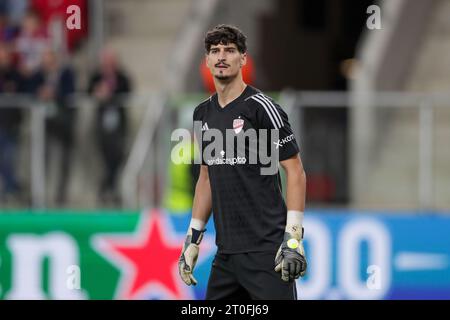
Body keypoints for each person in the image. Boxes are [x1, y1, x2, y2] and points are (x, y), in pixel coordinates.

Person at [178, 24, 307, 300]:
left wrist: (293, 238)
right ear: (207, 61)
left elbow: (295, 170)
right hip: (225, 256)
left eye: (229, 50)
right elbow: (205, 177)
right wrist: (193, 239)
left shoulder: (262, 107)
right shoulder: (202, 114)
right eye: (215, 51)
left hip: (267, 252)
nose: (221, 56)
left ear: (243, 59)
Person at [88, 48, 131, 205]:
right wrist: (98, 92)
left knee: (118, 157)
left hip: (118, 126)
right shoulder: (97, 76)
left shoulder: (121, 77)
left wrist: (111, 93)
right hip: (102, 126)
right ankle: (108, 189)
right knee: (106, 159)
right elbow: (88, 90)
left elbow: (128, 90)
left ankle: (108, 187)